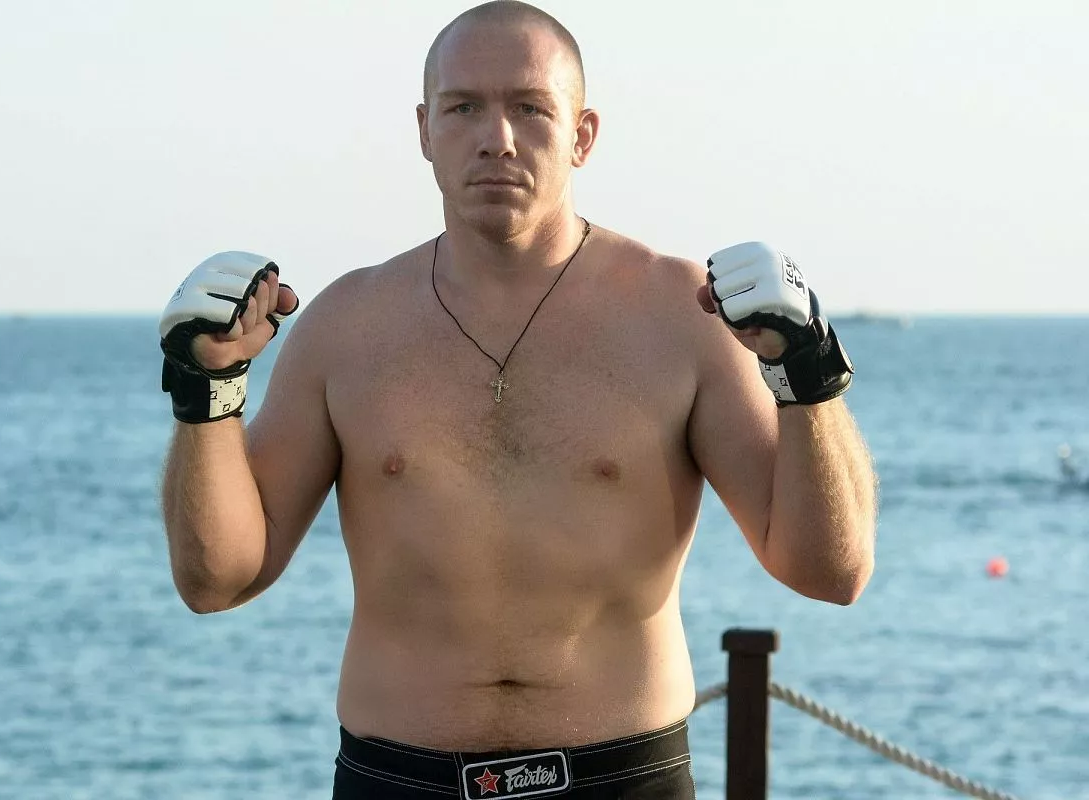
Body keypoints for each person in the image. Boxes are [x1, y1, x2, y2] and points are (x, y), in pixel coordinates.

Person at [157, 2, 878, 797]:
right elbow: (217, 580)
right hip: (396, 781)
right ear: (426, 130)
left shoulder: (681, 318)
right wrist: (207, 388)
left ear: (582, 135)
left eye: (530, 108)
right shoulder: (347, 326)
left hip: (623, 781)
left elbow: (830, 572)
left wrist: (807, 371)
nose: (496, 138)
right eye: (464, 107)